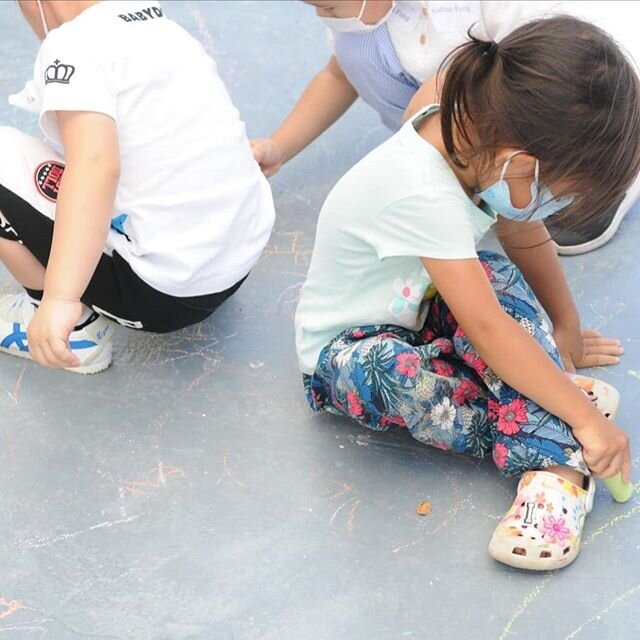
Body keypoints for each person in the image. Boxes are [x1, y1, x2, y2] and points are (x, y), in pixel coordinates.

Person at [294, 15, 640, 570]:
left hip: (426, 305)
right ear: (521, 164)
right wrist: (584, 418)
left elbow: (523, 236)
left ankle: (540, 400)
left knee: (493, 274)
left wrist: (565, 327)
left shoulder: (476, 139)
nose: (554, 209)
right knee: (388, 367)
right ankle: (556, 460)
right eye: (559, 194)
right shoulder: (422, 188)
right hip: (350, 349)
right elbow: (486, 329)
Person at [0, 0, 274, 373]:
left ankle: (74, 328)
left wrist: (60, 298)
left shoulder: (72, 45)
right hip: (234, 260)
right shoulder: (159, 23)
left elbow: (96, 167)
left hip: (165, 294)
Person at [251, 0, 640, 254]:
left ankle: (606, 181)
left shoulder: (501, 11)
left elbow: (557, 74)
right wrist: (280, 147)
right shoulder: (360, 17)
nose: (329, 15)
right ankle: (490, 170)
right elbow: (339, 75)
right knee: (359, 50)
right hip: (491, 119)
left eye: (332, 6)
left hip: (596, 100)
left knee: (586, 135)